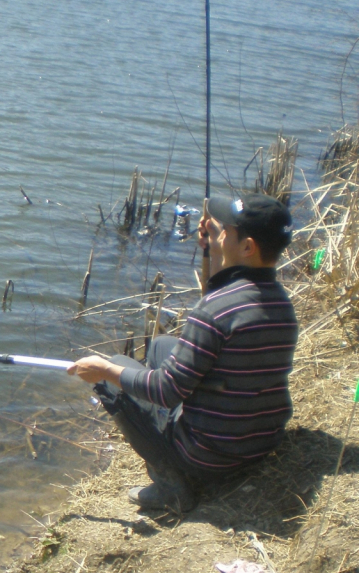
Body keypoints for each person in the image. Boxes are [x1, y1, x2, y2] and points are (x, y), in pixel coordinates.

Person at [67, 193, 298, 511]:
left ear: (247, 247)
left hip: (210, 456)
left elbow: (166, 391)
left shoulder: (215, 311)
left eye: (223, 231)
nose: (216, 232)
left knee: (115, 369)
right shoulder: (280, 302)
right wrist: (215, 249)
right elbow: (222, 302)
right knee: (162, 346)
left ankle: (170, 486)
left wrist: (104, 370)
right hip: (259, 442)